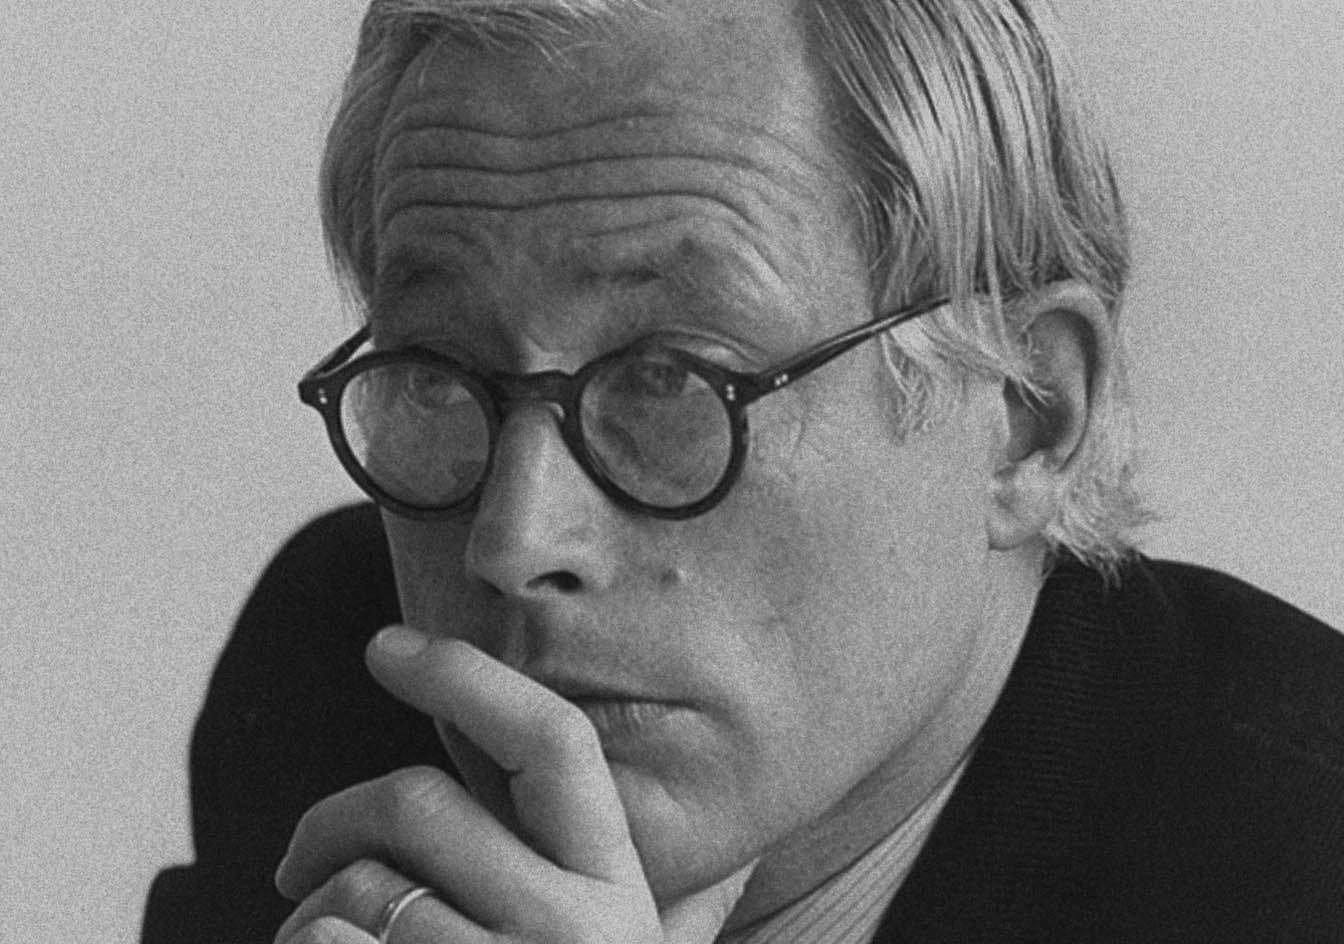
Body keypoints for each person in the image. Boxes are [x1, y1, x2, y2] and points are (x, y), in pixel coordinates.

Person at [143, 0, 1344, 941]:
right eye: (437, 367)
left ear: (1026, 413)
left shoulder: (1304, 863)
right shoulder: (334, 672)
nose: (511, 541)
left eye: (671, 377)